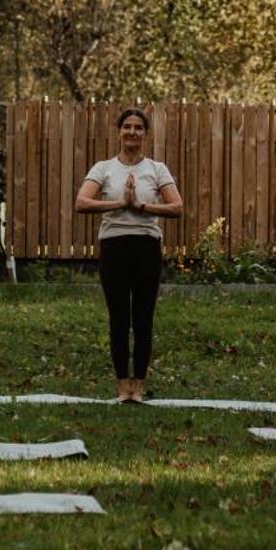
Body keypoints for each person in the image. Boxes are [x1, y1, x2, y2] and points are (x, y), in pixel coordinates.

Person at [74, 108, 183, 402]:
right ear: (119, 131)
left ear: (145, 134)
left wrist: (142, 208)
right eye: (127, 127)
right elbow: (82, 202)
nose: (132, 132)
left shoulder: (157, 169)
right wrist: (119, 203)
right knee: (119, 317)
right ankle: (123, 385)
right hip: (114, 246)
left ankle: (139, 386)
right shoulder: (104, 168)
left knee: (143, 317)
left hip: (146, 246)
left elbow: (177, 208)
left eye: (138, 127)